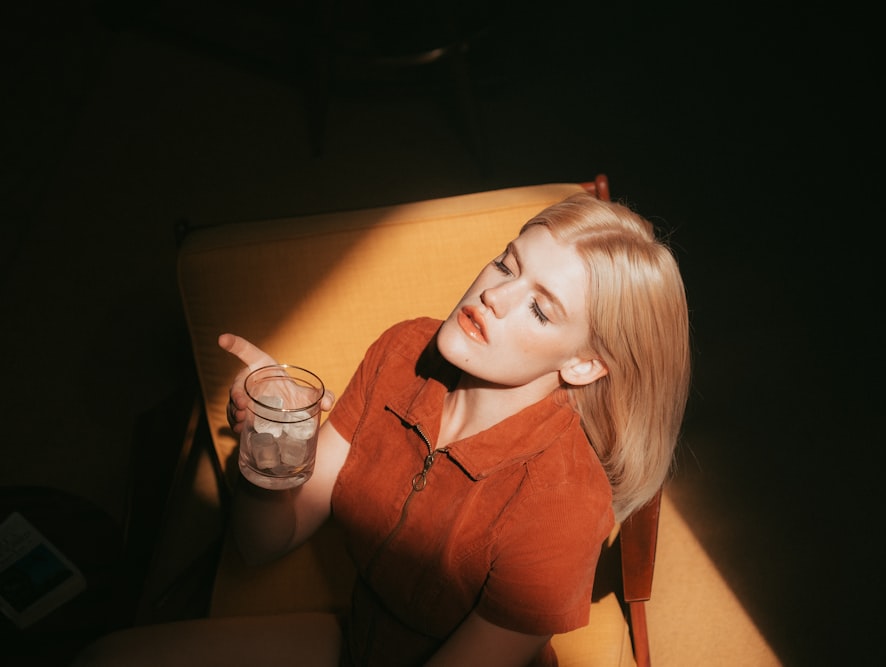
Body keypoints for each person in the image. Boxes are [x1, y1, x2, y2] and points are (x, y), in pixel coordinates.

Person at [74, 192, 690, 666]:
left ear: (583, 364)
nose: (495, 296)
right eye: (507, 264)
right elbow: (264, 543)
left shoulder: (562, 500)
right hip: (359, 641)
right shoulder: (404, 351)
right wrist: (276, 437)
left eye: (539, 307)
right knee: (102, 659)